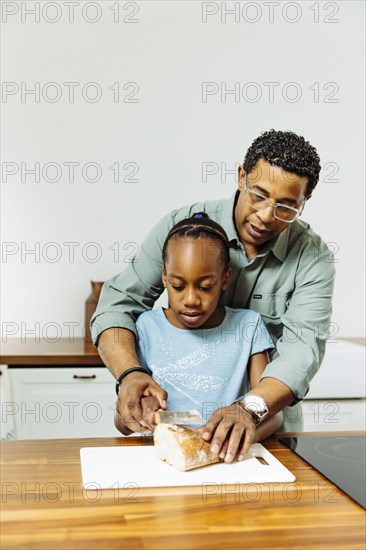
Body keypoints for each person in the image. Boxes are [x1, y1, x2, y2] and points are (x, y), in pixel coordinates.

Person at [91, 129, 335, 462]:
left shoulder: (313, 257)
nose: (266, 215)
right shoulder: (182, 227)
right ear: (240, 177)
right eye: (259, 195)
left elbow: (302, 351)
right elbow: (116, 307)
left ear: (304, 202)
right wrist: (129, 374)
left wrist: (249, 409)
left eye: (285, 207)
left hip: (261, 435)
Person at [114, 213, 283, 461]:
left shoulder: (248, 326)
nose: (191, 300)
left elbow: (274, 416)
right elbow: (120, 423)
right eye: (178, 286)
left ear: (225, 279)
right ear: (164, 277)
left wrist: (235, 439)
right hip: (162, 463)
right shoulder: (146, 328)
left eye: (205, 287)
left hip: (228, 464)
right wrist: (139, 413)